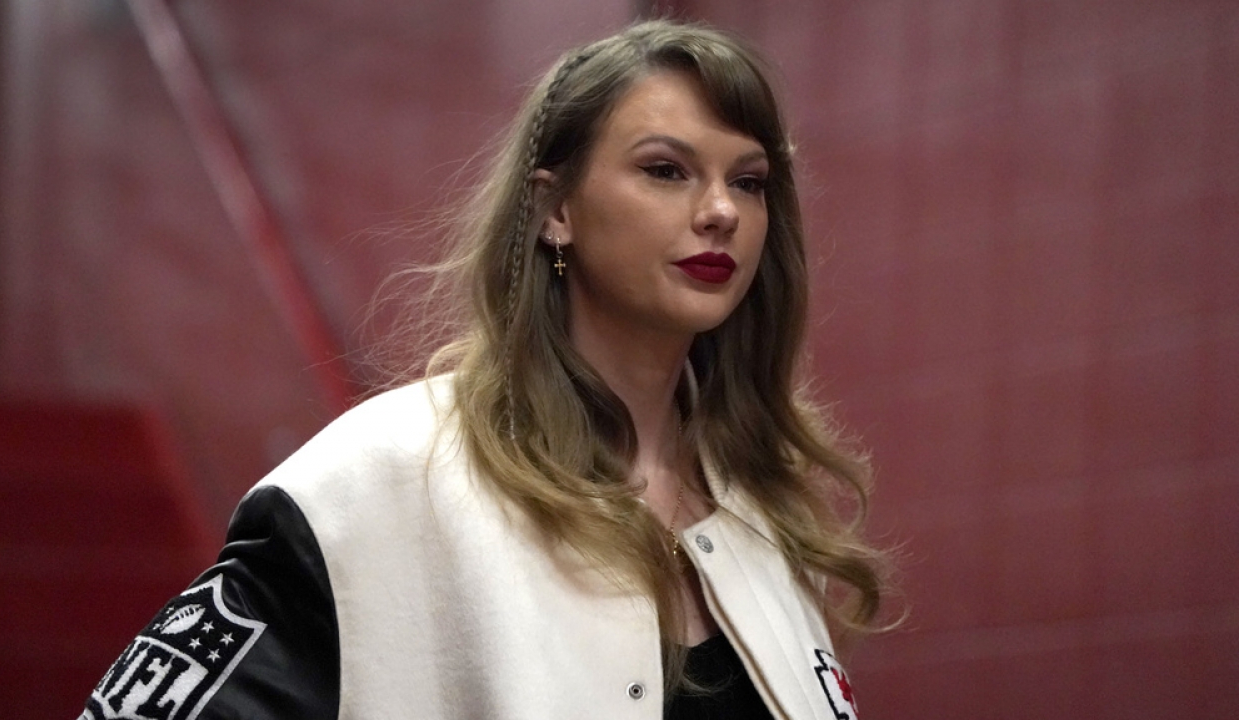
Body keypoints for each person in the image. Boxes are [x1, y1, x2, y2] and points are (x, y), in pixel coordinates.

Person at [80, 19, 890, 720]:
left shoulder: (761, 511)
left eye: (748, 182)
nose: (720, 210)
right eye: (666, 170)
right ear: (555, 209)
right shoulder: (385, 477)